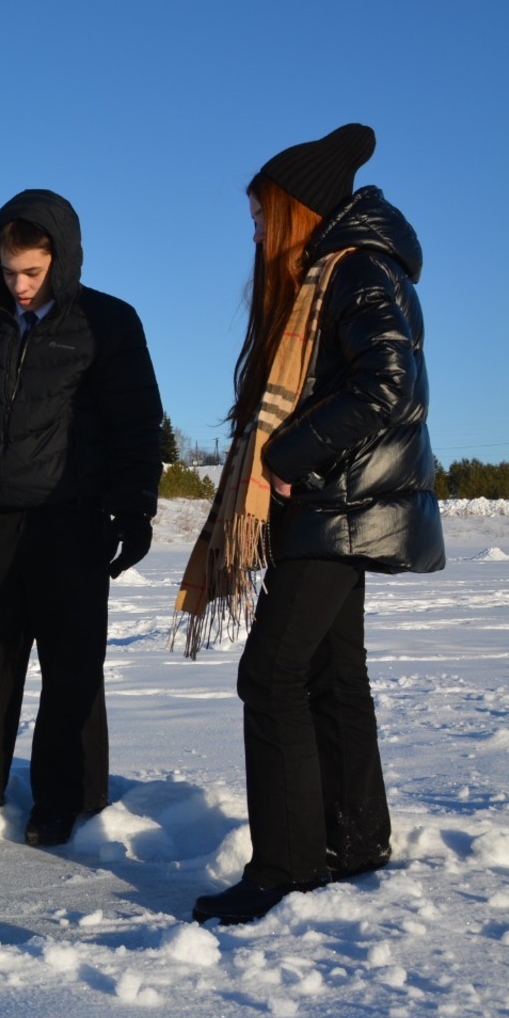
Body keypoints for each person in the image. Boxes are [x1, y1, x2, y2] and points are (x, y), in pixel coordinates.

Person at [183, 124, 443, 925]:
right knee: (332, 673)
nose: (257, 230)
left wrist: (288, 451)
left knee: (271, 675)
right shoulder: (334, 273)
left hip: (340, 503)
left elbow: (390, 383)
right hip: (336, 503)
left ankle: (287, 865)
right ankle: (355, 841)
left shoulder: (359, 269)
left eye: (264, 214)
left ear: (299, 210)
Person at [0, 190, 163, 847]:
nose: (17, 285)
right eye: (7, 269)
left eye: (32, 272)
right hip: (6, 515)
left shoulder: (107, 322)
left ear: (61, 261)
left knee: (71, 665)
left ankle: (64, 796)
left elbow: (136, 425)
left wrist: (134, 509)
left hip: (75, 516)